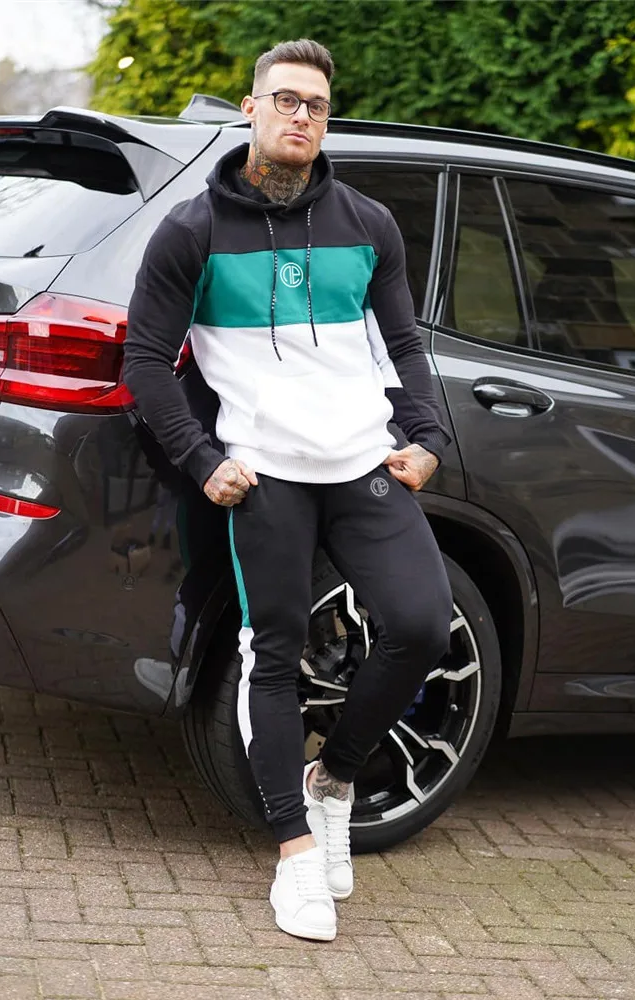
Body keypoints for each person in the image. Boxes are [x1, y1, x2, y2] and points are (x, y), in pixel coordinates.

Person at [123, 38, 452, 942]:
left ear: (325, 119)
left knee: (422, 623)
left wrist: (426, 438)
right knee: (270, 655)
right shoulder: (192, 229)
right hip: (263, 474)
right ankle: (295, 855)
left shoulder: (368, 222)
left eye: (315, 104)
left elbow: (403, 344)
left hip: (361, 462)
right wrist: (203, 459)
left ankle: (333, 779)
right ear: (251, 107)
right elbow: (145, 361)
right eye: (285, 99)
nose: (300, 115)